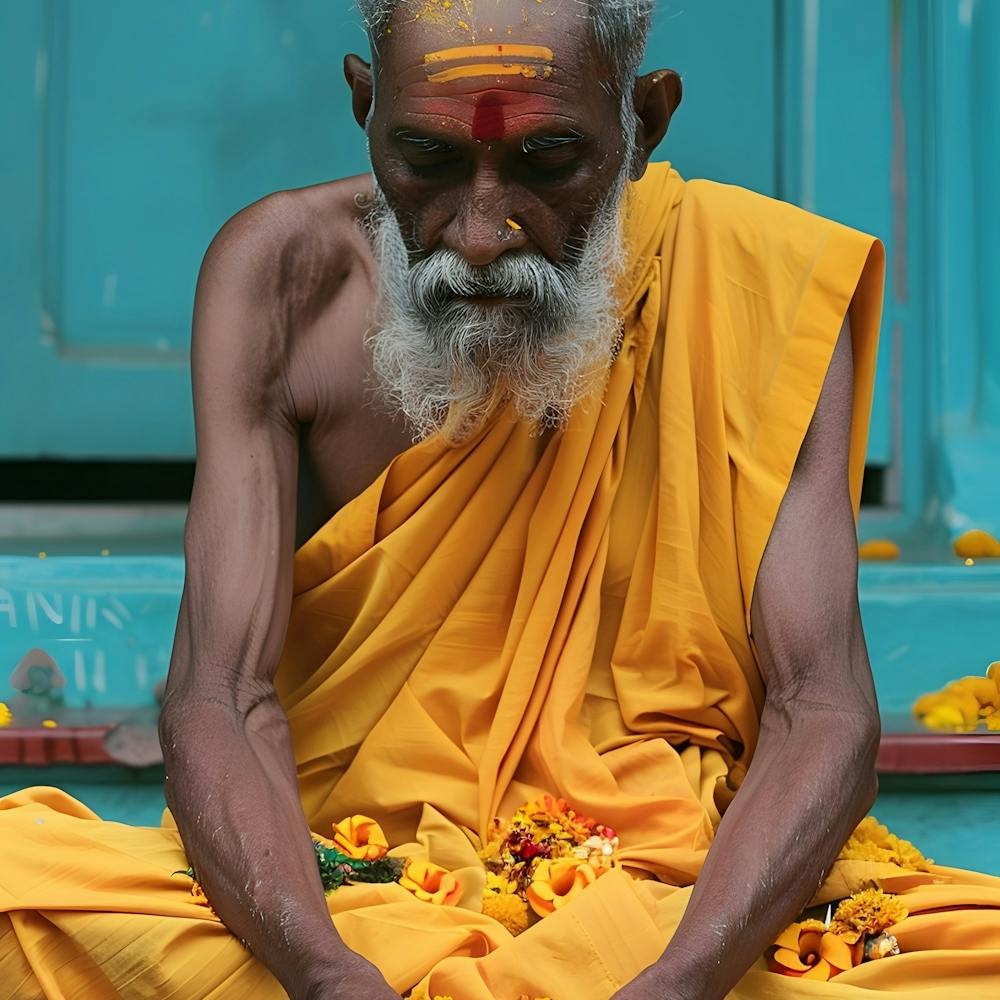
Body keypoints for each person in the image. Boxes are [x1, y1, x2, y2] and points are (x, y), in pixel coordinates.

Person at [2, 1, 999, 998]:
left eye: (550, 157)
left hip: (665, 881)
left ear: (644, 123)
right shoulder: (286, 276)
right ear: (362, 107)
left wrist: (683, 979)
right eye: (426, 160)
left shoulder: (759, 287)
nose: (481, 235)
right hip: (343, 872)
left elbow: (819, 711)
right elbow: (219, 697)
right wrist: (322, 972)